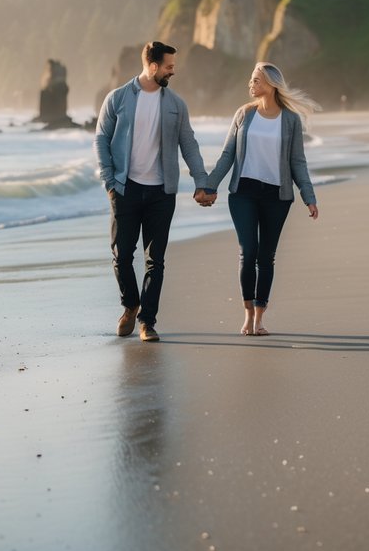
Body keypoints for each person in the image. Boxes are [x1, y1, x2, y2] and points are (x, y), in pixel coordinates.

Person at [94, 41, 211, 342]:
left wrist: (202, 181)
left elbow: (189, 145)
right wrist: (110, 182)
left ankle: (147, 321)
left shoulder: (175, 104)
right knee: (121, 255)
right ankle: (131, 305)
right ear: (154, 66)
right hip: (125, 189)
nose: (174, 71)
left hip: (161, 191)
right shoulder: (118, 98)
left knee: (154, 259)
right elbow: (101, 140)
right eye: (169, 66)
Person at [202, 62, 319, 336]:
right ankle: (247, 314)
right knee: (248, 252)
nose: (251, 84)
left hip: (276, 196)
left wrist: (308, 196)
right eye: (251, 80)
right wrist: (208, 186)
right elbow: (227, 155)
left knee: (266, 257)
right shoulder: (244, 114)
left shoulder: (290, 120)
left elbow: (298, 162)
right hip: (243, 192)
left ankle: (260, 316)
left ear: (270, 84)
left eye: (256, 80)